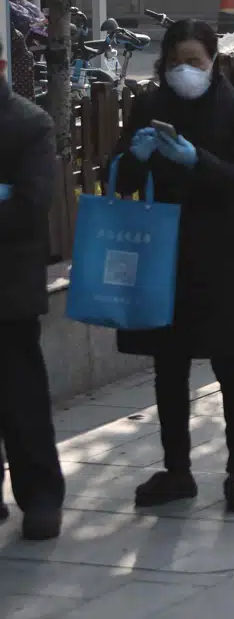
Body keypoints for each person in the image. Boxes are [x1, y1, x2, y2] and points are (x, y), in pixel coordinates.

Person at [112, 20, 234, 512]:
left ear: (214, 61)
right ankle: (177, 470)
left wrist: (197, 159)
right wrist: (134, 158)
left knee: (231, 364)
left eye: (195, 62)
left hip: (220, 252)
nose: (184, 71)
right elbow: (122, 181)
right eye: (175, 62)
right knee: (168, 367)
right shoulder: (150, 106)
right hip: (164, 253)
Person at [0, 37, 64, 540]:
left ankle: (40, 497)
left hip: (8, 289)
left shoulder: (27, 123)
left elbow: (30, 203)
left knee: (21, 401)